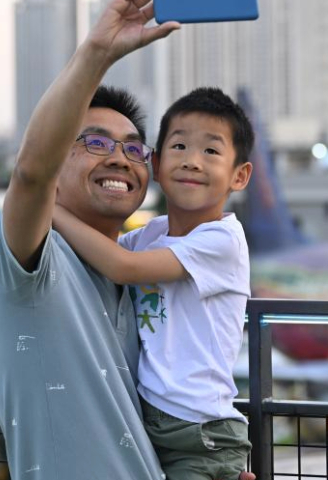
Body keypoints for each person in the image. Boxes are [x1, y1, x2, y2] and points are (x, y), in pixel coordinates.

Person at [0, 1, 254, 479]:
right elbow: (32, 174)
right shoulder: (33, 258)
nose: (119, 157)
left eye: (132, 147)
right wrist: (97, 52)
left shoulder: (139, 266)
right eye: (94, 142)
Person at [52, 86, 254, 480]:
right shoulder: (152, 234)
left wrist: (54, 210)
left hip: (201, 433)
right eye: (179, 147)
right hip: (153, 424)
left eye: (211, 151)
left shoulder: (222, 240)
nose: (192, 162)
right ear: (157, 164)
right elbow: (96, 252)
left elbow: (121, 266)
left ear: (239, 175)